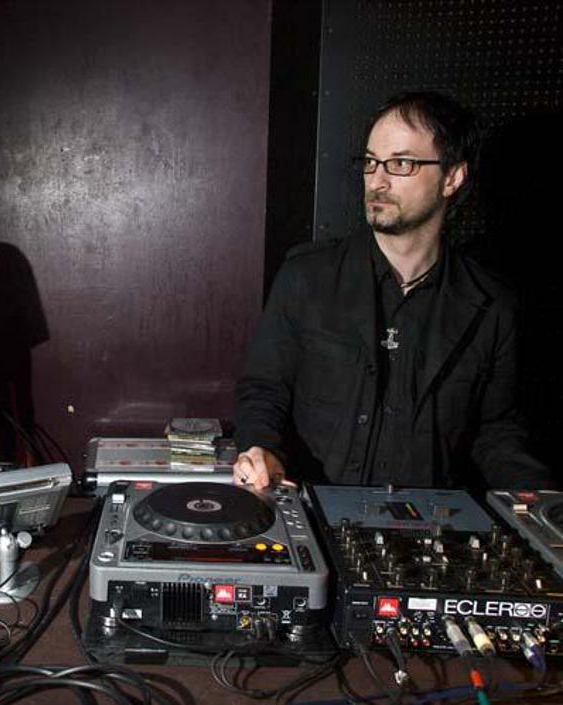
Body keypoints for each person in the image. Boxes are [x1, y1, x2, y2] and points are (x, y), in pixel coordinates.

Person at [233, 91, 551, 492]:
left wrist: (540, 506)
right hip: (314, 507)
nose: (377, 181)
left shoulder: (492, 305)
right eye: (371, 162)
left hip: (430, 521)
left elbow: (497, 430)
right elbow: (264, 391)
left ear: (452, 177)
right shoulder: (305, 277)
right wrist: (260, 448)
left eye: (401, 163)